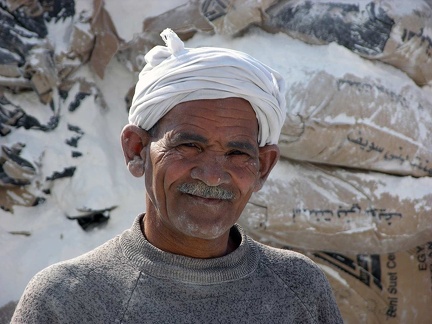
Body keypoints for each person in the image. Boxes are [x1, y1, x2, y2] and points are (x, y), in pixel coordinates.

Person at [12, 29, 343, 323]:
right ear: (137, 149)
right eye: (189, 146)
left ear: (264, 167)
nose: (213, 177)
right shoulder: (66, 301)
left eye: (237, 153)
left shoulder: (299, 288)